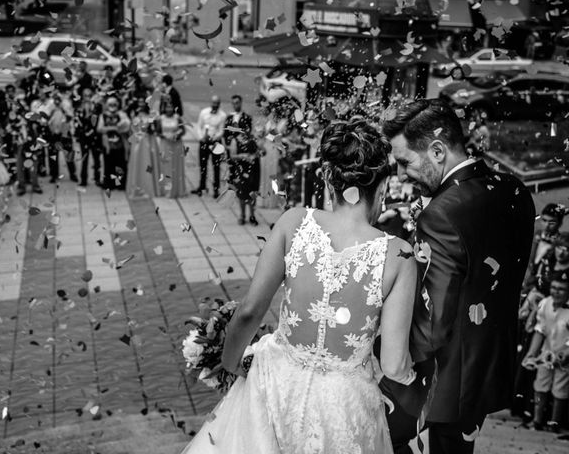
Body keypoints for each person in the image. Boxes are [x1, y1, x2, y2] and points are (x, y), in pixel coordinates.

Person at [182, 120, 417, 453]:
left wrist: (232, 365)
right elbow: (394, 364)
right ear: (382, 187)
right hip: (343, 404)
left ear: (326, 178)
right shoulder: (399, 255)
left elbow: (249, 311)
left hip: (274, 386)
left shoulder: (295, 222)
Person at [381, 98, 536, 454]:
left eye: (405, 162)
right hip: (486, 372)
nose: (401, 175)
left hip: (440, 386)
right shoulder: (514, 190)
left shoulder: (441, 214)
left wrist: (386, 355)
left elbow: (431, 322)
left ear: (437, 150)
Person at [522, 272, 569, 431]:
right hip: (547, 351)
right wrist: (532, 353)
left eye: (561, 289)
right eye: (554, 288)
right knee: (540, 385)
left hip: (565, 355)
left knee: (560, 389)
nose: (556, 292)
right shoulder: (545, 304)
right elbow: (539, 330)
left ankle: (554, 423)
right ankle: (537, 420)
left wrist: (565, 353)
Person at [224, 95, 258, 225]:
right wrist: (234, 151)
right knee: (241, 191)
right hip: (239, 165)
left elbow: (257, 151)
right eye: (233, 103)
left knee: (252, 192)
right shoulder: (229, 121)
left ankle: (252, 215)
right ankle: (243, 215)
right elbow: (226, 135)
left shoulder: (248, 123)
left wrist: (253, 156)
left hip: (252, 168)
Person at [193, 96, 227, 198]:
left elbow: (221, 130)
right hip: (204, 141)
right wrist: (201, 137)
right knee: (203, 165)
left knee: (216, 166)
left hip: (215, 142)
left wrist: (214, 137)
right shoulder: (204, 112)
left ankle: (216, 188)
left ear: (219, 104)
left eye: (217, 103)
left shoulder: (222, 115)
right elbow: (199, 126)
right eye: (214, 103)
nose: (215, 105)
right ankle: (202, 186)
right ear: (211, 103)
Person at [126, 98, 159, 198]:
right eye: (139, 102)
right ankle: (136, 186)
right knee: (136, 163)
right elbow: (131, 130)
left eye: (142, 102)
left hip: (146, 142)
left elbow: (155, 130)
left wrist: (150, 128)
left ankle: (147, 186)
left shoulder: (150, 116)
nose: (140, 104)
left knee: (147, 164)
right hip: (136, 143)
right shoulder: (134, 116)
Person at [97, 96, 130, 191]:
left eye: (114, 104)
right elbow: (99, 129)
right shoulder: (103, 115)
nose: (112, 106)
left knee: (120, 164)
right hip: (108, 145)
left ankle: (120, 184)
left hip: (120, 144)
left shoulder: (122, 114)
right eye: (110, 104)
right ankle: (109, 184)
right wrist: (113, 128)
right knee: (108, 164)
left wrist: (119, 128)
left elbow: (127, 126)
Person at [155, 99, 186, 198]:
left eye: (171, 107)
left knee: (176, 166)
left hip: (176, 145)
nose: (169, 109)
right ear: (164, 108)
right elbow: (158, 131)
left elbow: (183, 130)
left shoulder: (178, 118)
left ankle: (177, 189)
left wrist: (177, 135)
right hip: (165, 144)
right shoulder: (161, 118)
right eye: (167, 107)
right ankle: (166, 190)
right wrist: (165, 135)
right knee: (165, 166)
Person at [47, 93, 77, 183]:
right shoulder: (50, 107)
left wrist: (63, 109)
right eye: (55, 99)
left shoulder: (66, 106)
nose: (57, 102)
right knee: (52, 155)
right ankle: (54, 175)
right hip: (54, 134)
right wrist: (52, 111)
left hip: (64, 133)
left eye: (58, 100)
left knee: (68, 154)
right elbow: (46, 119)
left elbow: (70, 117)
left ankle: (72, 174)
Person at [75, 88, 102, 187]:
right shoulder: (79, 107)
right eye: (85, 96)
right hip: (84, 136)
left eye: (89, 95)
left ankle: (97, 178)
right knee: (84, 158)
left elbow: (98, 120)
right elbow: (77, 121)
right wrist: (80, 133)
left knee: (96, 158)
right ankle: (83, 180)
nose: (87, 98)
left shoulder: (96, 107)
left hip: (94, 136)